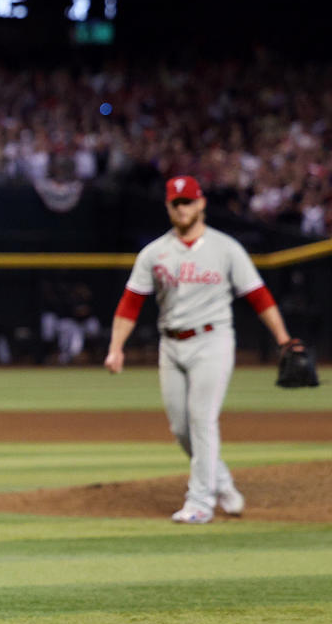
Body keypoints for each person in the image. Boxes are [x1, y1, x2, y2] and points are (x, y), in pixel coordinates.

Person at [103, 175, 294, 524]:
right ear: (167, 207)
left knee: (202, 419)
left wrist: (283, 338)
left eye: (187, 201)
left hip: (213, 340)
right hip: (171, 345)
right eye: (175, 203)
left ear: (201, 203)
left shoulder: (226, 248)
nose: (182, 208)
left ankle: (200, 502)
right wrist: (116, 348)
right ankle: (222, 483)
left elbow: (258, 296)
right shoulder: (154, 253)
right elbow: (130, 304)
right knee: (181, 428)